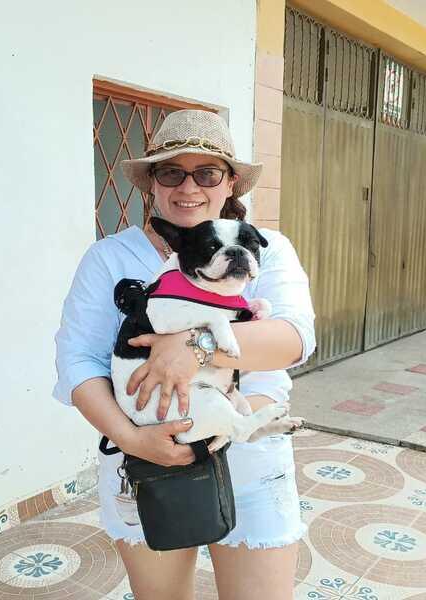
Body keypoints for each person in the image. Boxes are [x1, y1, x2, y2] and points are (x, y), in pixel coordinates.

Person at [53, 109, 315, 600]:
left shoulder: (264, 248)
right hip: (146, 460)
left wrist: (196, 347)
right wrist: (132, 438)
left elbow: (294, 338)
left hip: (251, 454)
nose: (188, 187)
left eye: (207, 173)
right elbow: (77, 362)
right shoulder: (109, 257)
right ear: (152, 183)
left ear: (230, 182)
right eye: (172, 172)